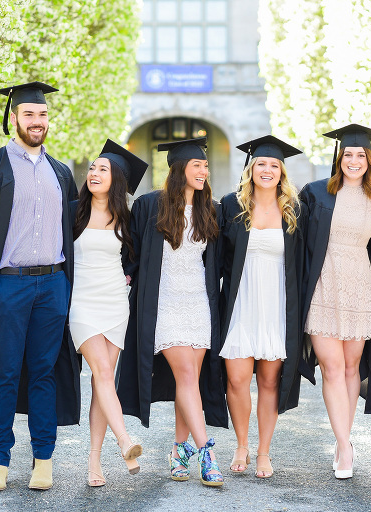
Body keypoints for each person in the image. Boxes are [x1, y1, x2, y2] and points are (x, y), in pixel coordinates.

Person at [0, 82, 81, 491]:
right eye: (29, 115)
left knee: (43, 373)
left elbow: (75, 232)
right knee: (4, 373)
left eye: (42, 115)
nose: (37, 122)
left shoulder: (61, 173)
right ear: (14, 118)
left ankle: (43, 461)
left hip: (53, 284)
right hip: (8, 287)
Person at [116, 138, 227, 487]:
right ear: (179, 169)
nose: (204, 172)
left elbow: (216, 261)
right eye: (197, 166)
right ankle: (206, 451)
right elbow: (129, 250)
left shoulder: (211, 208)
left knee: (188, 382)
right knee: (186, 378)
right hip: (163, 303)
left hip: (198, 302)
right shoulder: (150, 205)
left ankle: (178, 452)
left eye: (206, 167)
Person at [300, 124, 371, 479]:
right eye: (348, 155)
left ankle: (345, 440)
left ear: (369, 160)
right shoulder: (317, 194)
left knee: (352, 367)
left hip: (358, 286)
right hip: (324, 285)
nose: (354, 161)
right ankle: (344, 446)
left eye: (360, 155)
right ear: (339, 158)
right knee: (332, 367)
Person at [219, 135, 307, 479]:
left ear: (282, 171)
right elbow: (220, 258)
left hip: (276, 306)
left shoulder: (294, 210)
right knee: (238, 379)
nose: (267, 170)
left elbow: (302, 262)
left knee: (270, 382)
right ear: (251, 169)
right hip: (240, 304)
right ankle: (242, 444)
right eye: (261, 164)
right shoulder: (232, 205)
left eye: (274, 165)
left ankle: (263, 452)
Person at [68, 139, 148, 486]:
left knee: (103, 380)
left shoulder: (127, 219)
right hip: (81, 302)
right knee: (101, 371)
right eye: (92, 168)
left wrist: (130, 275)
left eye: (103, 169)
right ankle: (125, 441)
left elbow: (136, 259)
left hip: (116, 301)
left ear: (117, 179)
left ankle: (94, 461)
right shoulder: (72, 211)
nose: (94, 172)